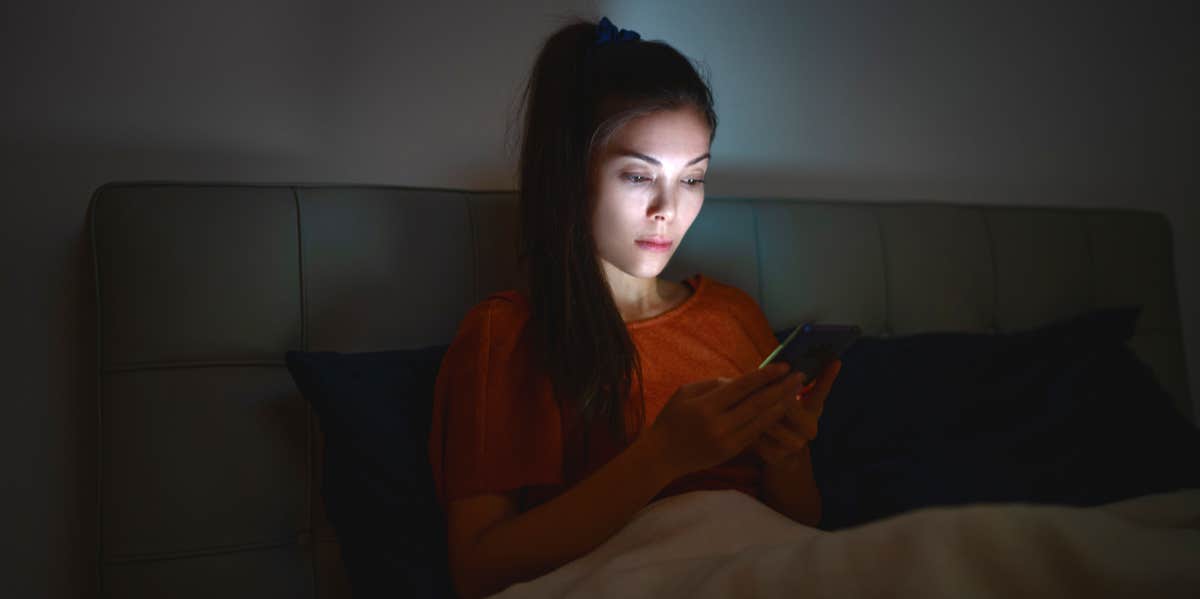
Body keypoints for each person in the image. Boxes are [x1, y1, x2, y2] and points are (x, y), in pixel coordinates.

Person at [427, 16, 843, 599]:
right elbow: (478, 571)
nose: (667, 209)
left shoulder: (732, 315)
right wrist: (662, 457)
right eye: (638, 175)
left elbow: (803, 526)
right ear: (573, 174)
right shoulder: (509, 335)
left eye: (693, 178)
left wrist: (789, 456)